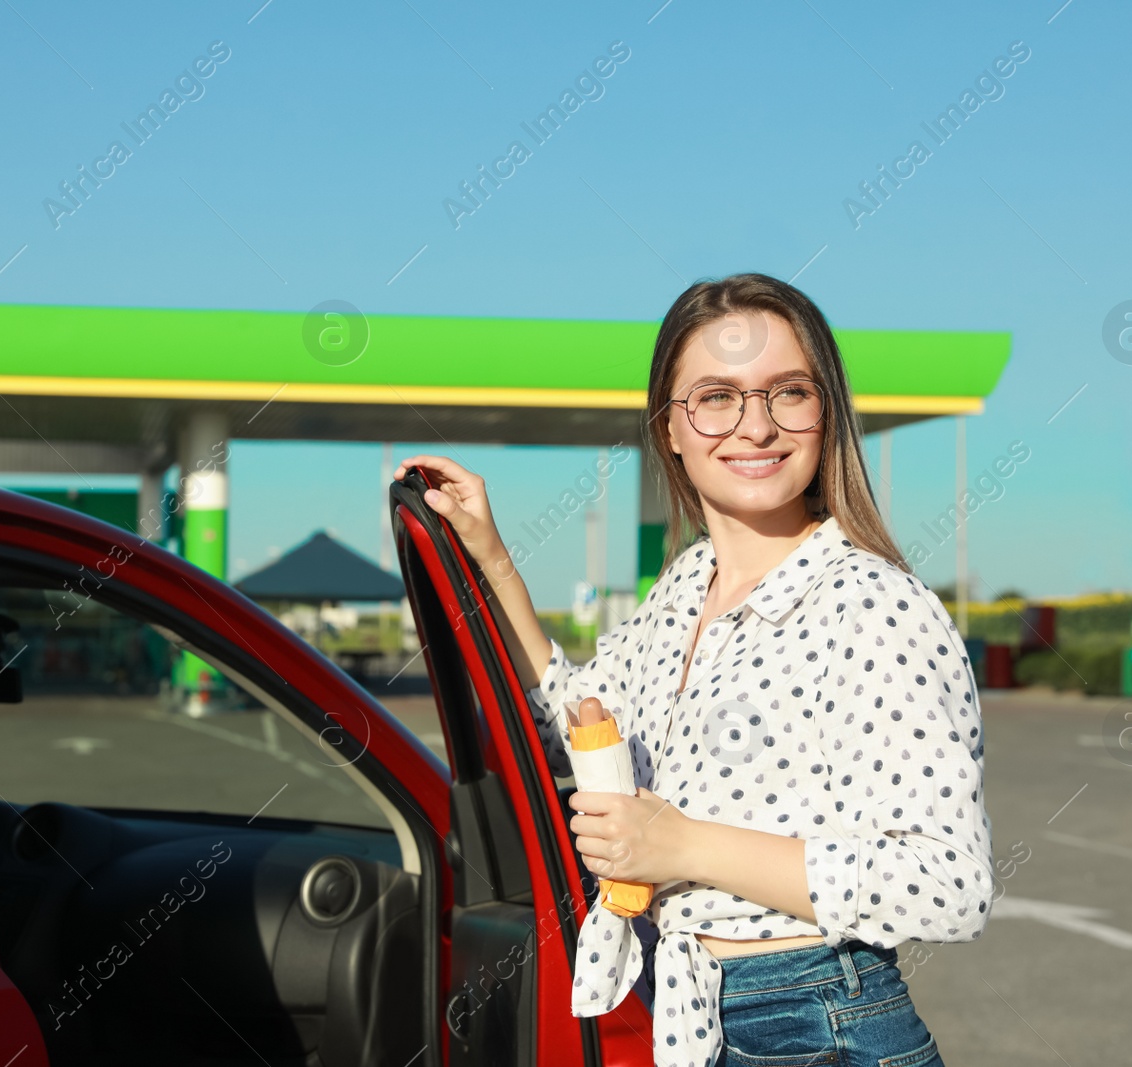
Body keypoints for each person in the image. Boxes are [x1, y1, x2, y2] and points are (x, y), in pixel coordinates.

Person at [394, 272, 992, 1067]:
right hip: (696, 1006)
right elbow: (581, 722)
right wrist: (493, 560)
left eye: (789, 392)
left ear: (827, 414)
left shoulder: (873, 606)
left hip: (816, 1021)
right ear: (669, 428)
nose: (757, 425)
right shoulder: (687, 584)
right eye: (717, 396)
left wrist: (684, 846)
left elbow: (948, 882)